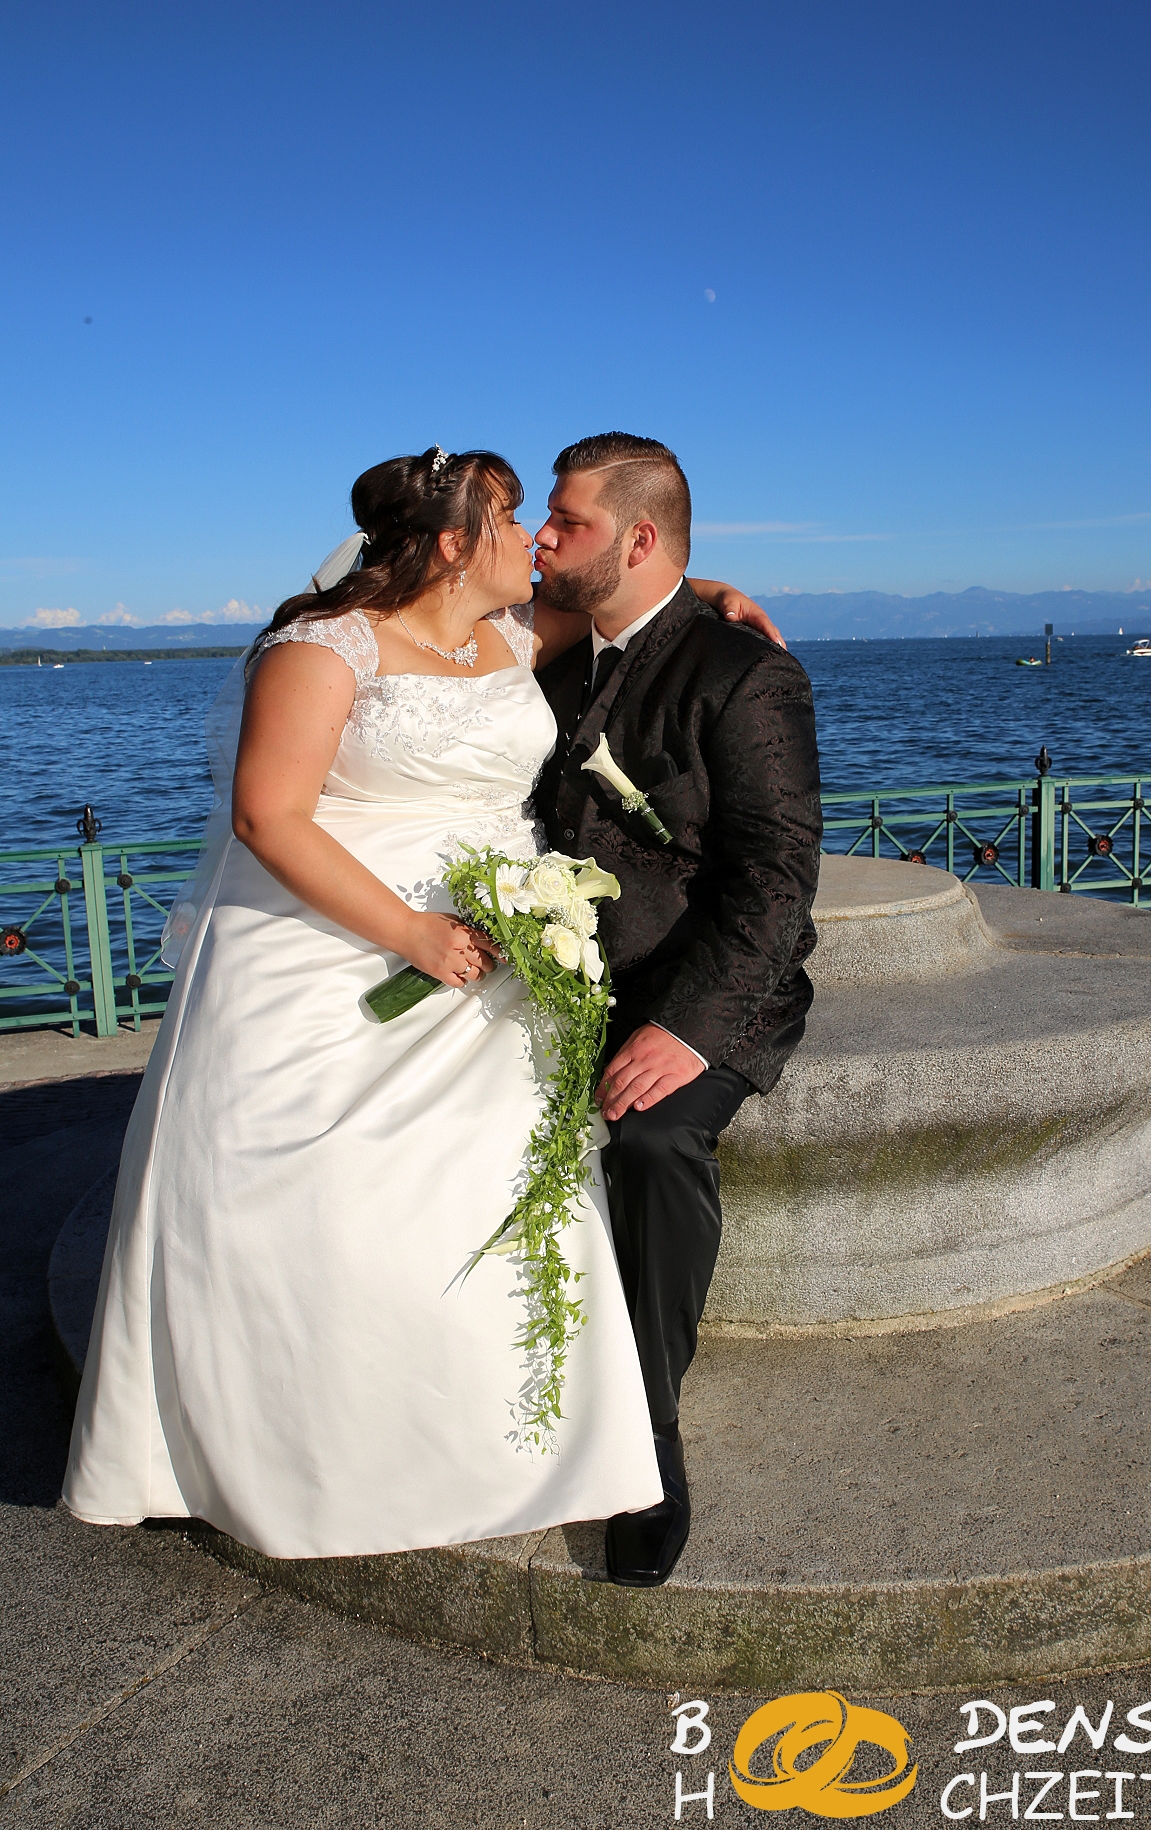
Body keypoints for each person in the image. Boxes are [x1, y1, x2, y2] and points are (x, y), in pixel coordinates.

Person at [62, 445, 782, 1561]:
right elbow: (268, 817)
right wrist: (409, 934)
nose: (532, 541)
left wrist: (703, 592)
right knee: (312, 1206)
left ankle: (526, 1440)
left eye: (543, 522)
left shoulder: (506, 633)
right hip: (347, 945)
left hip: (499, 959)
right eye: (510, 521)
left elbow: (628, 595)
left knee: (498, 1198)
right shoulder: (321, 648)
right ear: (452, 543)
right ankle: (270, 1445)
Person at [532, 433, 823, 1588]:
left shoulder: (746, 674)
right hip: (550, 975)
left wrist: (690, 1029)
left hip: (700, 987)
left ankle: (647, 1436)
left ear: (637, 538)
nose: (539, 541)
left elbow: (775, 878)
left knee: (649, 1138)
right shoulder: (543, 654)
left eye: (565, 523)